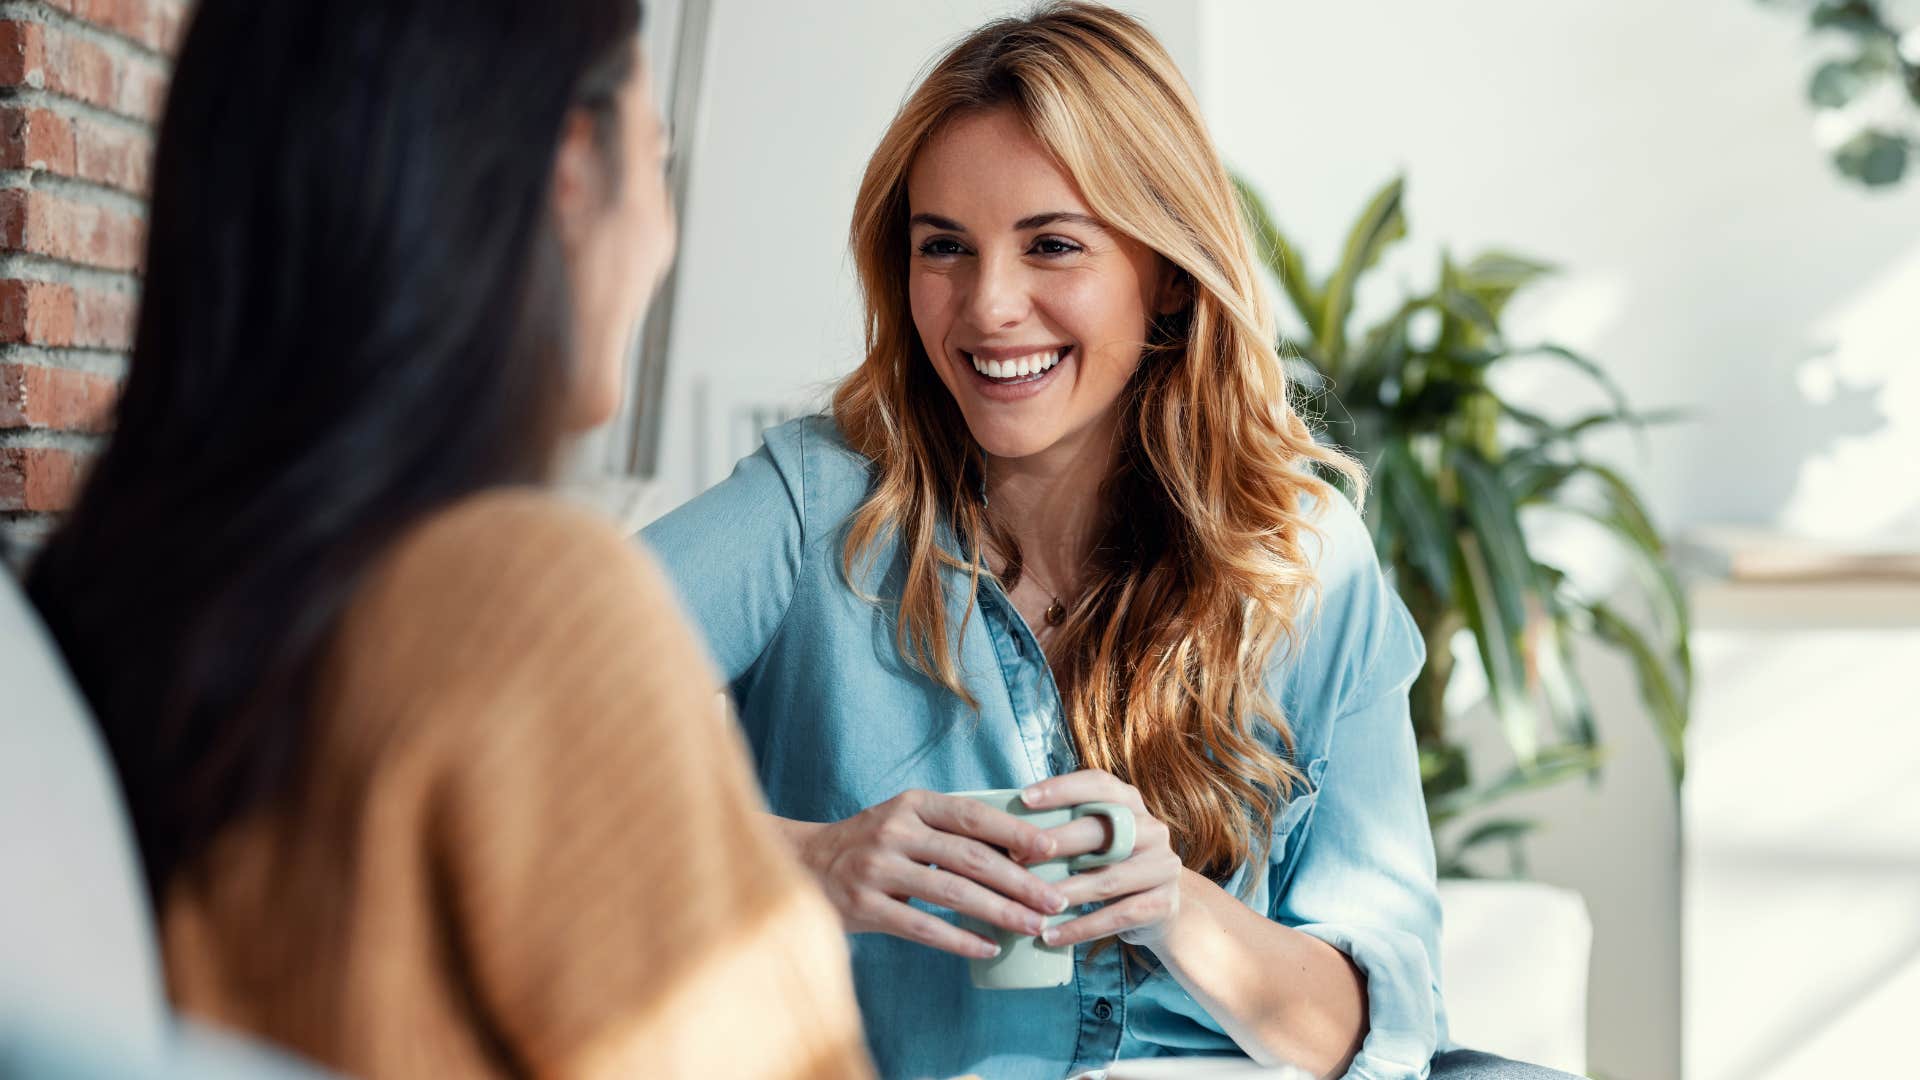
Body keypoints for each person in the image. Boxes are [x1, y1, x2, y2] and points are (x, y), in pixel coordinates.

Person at [643, 4, 1577, 1079]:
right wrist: (814, 857)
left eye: (1052, 245)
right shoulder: (821, 506)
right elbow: (502, 712)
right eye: (943, 247)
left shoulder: (1302, 560)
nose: (989, 306)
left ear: (1168, 270)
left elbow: (1372, 1036)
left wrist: (1173, 904)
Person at [25, 2, 873, 1077]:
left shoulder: (127, 590)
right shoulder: (528, 602)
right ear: (572, 166)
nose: (662, 232)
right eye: (660, 159)